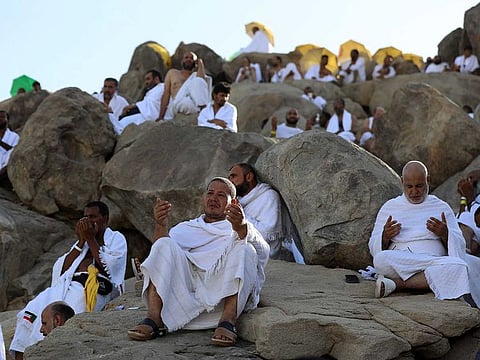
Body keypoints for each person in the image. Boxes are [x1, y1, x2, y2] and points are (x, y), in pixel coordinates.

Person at [127, 177, 269, 347]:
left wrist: (241, 229)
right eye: (210, 193)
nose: (214, 198)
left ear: (233, 202)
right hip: (186, 295)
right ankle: (154, 319)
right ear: (203, 198)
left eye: (221, 195)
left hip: (220, 301)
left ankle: (228, 322)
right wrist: (160, 224)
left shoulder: (242, 226)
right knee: (163, 243)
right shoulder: (186, 228)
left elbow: (263, 253)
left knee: (246, 248)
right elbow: (162, 256)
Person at [10, 201, 127, 360]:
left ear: (105, 219)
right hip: (65, 285)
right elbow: (62, 269)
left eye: (92, 217)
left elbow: (110, 268)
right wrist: (81, 241)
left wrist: (91, 239)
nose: (88, 221)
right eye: (85, 217)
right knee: (28, 313)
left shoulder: (116, 238)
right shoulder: (83, 243)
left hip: (91, 288)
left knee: (65, 316)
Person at [369, 161, 476, 305]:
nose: (414, 192)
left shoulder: (441, 206)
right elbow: (374, 246)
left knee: (459, 266)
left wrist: (445, 234)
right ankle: (428, 279)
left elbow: (459, 245)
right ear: (402, 182)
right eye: (409, 186)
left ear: (428, 181)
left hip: (432, 260)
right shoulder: (390, 207)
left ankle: (395, 284)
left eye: (419, 186)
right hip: (402, 262)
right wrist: (385, 236)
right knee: (381, 259)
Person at [228, 163, 304, 263]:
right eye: (229, 178)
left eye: (233, 176)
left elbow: (270, 231)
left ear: (249, 177)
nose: (230, 181)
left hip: (266, 256)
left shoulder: (269, 196)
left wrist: (241, 218)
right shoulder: (237, 202)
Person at [158, 51, 210, 121]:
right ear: (182, 61)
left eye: (191, 58)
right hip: (179, 103)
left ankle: (203, 111)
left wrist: (200, 64)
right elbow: (166, 94)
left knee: (198, 81)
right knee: (186, 103)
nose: (188, 59)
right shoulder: (172, 73)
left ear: (195, 62)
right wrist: (161, 117)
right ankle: (203, 112)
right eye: (186, 58)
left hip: (194, 105)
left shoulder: (195, 76)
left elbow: (201, 82)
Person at [115, 70, 164, 134]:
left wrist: (133, 106)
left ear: (156, 79)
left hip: (151, 116)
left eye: (148, 79)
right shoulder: (150, 92)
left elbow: (152, 103)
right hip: (144, 114)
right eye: (145, 80)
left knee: (124, 122)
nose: (146, 82)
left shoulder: (162, 87)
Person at [0, 110, 20, 178]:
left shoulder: (14, 136)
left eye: (2, 117)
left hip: (8, 172)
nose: (0, 118)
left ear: (7, 120)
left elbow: (14, 151)